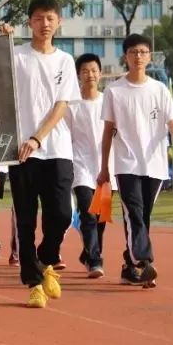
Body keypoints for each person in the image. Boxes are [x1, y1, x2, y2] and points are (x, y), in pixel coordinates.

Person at [100, 34, 173, 288]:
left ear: (149, 56)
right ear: (125, 57)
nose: (138, 57)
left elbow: (172, 122)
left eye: (142, 52)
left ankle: (130, 266)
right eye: (133, 52)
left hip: (155, 164)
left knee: (143, 216)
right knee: (134, 213)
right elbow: (108, 131)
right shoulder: (114, 90)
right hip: (126, 163)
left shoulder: (159, 89)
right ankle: (144, 260)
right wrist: (104, 166)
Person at [7, 0, 78, 309]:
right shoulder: (17, 56)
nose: (44, 24)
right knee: (25, 219)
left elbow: (61, 105)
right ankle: (34, 282)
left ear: (58, 22)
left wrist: (38, 137)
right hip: (21, 151)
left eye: (50, 18)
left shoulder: (65, 60)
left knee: (62, 213)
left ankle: (46, 259)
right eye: (38, 18)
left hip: (56, 148)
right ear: (29, 22)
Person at [64, 52, 108, 278]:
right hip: (80, 166)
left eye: (93, 70)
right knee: (88, 213)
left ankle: (89, 251)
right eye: (84, 71)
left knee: (101, 217)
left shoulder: (108, 102)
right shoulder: (72, 105)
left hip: (104, 167)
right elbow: (66, 136)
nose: (89, 75)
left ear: (100, 73)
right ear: (78, 75)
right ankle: (94, 260)